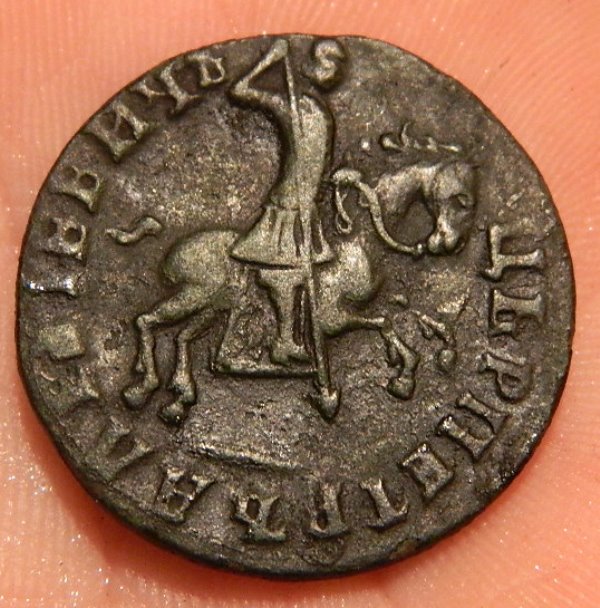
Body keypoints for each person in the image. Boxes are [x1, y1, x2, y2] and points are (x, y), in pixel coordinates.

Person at [229, 38, 346, 365]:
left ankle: (290, 339)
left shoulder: (320, 112)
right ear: (308, 66)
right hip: (287, 206)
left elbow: (319, 164)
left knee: (297, 279)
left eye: (336, 65)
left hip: (308, 207)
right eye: (326, 61)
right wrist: (270, 59)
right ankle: (282, 342)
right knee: (283, 276)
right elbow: (239, 90)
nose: (333, 70)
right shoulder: (289, 107)